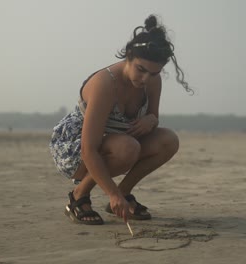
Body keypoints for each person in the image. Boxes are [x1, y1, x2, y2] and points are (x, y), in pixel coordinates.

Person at [49, 15, 192, 225]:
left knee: (169, 140)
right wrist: (111, 194)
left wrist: (151, 120)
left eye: (154, 73)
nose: (145, 79)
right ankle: (78, 196)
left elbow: (154, 117)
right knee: (128, 148)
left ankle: (124, 192)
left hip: (120, 142)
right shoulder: (105, 84)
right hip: (76, 148)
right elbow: (88, 150)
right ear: (128, 56)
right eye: (141, 70)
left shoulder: (152, 80)